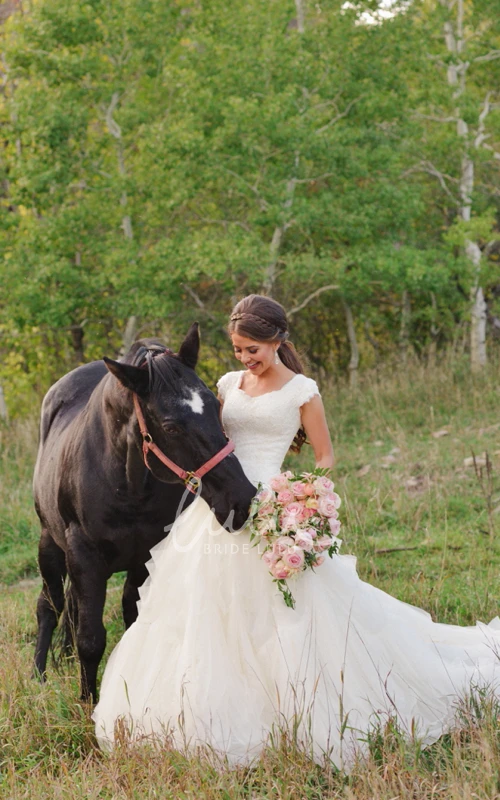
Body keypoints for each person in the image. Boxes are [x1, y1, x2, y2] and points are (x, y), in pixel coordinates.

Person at [93, 294, 500, 771]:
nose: (245, 358)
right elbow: (206, 437)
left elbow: (325, 456)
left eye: (253, 349)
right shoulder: (228, 384)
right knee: (204, 608)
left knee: (289, 614)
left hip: (275, 506)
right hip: (222, 504)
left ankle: (296, 707)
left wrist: (301, 498)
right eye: (238, 349)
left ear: (277, 341)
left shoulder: (302, 391)